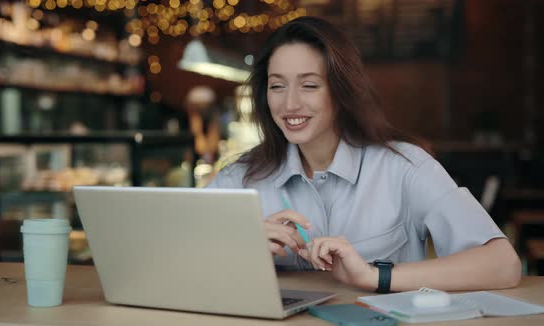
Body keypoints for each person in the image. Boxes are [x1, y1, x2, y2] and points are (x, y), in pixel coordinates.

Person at [206, 16, 521, 293]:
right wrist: (239, 248)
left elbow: (503, 265)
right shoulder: (240, 177)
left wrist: (375, 276)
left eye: (310, 86)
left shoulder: (405, 167)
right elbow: (166, 262)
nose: (290, 105)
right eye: (277, 86)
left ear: (341, 91)